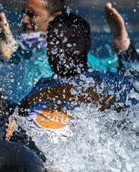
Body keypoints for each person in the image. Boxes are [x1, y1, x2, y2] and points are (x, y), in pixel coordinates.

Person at [0, 0, 137, 101]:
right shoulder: (31, 50)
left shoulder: (74, 56)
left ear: (55, 17)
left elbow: (125, 75)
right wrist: (3, 44)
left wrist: (122, 44)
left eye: (32, 15)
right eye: (24, 14)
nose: (24, 20)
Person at [18, 13, 136, 141]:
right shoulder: (39, 86)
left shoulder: (111, 84)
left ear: (88, 44)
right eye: (56, 41)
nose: (63, 48)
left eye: (72, 42)